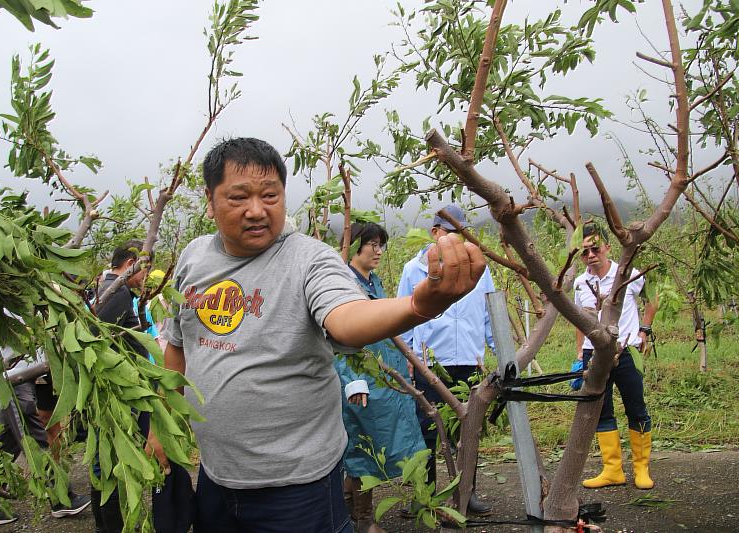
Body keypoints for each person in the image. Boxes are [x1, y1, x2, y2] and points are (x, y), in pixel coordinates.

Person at [146, 137, 485, 533]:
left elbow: (346, 317)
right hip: (215, 475)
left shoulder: (309, 259)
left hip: (298, 488)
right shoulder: (194, 258)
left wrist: (417, 306)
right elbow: (177, 350)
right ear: (210, 199)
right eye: (239, 197)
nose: (257, 210)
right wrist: (160, 427)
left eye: (270, 195)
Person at [396, 204, 495, 515]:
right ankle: (424, 495)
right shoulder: (414, 269)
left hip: (470, 359)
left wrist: (501, 351)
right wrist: (410, 356)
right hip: (430, 364)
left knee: (467, 432)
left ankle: (467, 493)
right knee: (426, 430)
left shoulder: (480, 270)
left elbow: (491, 314)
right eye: (449, 233)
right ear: (435, 233)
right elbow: (403, 313)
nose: (454, 241)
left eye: (460, 234)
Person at [334, 222, 426, 533]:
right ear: (355, 244)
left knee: (374, 446)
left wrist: (404, 365)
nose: (378, 250)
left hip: (384, 378)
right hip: (361, 381)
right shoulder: (344, 284)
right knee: (361, 449)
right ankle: (363, 522)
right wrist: (353, 382)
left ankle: (348, 516)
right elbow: (337, 341)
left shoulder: (372, 282)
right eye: (371, 244)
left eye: (380, 244)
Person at [0, 345, 91, 526]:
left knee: (6, 444)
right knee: (35, 441)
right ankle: (62, 498)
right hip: (12, 377)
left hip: (26, 375)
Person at [574, 223, 657, 490]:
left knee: (636, 406)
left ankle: (641, 469)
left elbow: (653, 298)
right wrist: (579, 352)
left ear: (608, 247)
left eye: (595, 248)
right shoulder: (580, 282)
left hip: (626, 350)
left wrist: (644, 329)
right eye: (584, 252)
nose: (590, 255)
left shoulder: (628, 275)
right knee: (601, 408)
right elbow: (579, 320)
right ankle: (612, 469)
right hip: (594, 353)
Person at [92, 240, 151, 533]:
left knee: (107, 459)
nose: (146, 277)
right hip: (117, 390)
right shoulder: (117, 293)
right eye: (144, 269)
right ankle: (112, 526)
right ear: (130, 264)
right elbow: (100, 339)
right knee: (115, 461)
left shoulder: (108, 287)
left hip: (115, 388)